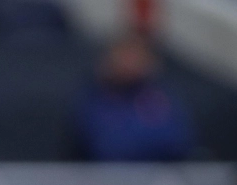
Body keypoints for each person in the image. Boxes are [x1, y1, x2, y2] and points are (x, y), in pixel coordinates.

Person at [69, 34, 193, 163]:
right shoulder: (92, 100)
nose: (130, 62)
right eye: (125, 55)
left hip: (159, 177)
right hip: (105, 178)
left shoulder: (162, 98)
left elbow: (178, 142)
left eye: (137, 55)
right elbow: (107, 147)